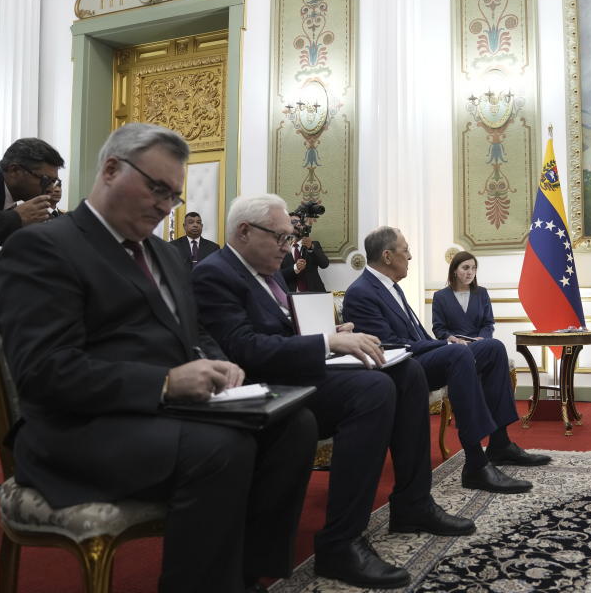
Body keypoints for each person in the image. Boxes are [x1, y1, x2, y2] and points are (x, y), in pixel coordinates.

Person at [0, 123, 317, 593]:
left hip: (166, 414)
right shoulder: (43, 247)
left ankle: (249, 574)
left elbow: (193, 334)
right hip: (79, 429)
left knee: (294, 425)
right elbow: (44, 371)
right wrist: (165, 383)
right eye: (157, 188)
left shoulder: (165, 256)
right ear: (110, 170)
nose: (167, 205)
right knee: (222, 450)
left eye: (175, 195)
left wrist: (216, 360)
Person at [192, 195, 474, 590]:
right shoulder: (215, 274)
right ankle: (340, 541)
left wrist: (332, 335)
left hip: (298, 372)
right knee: (372, 390)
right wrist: (325, 343)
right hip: (268, 387)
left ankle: (413, 503)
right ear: (243, 232)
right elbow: (244, 350)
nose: (288, 249)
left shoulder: (266, 273)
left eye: (289, 239)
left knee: (406, 372)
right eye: (281, 238)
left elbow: (279, 335)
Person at [343, 227, 550, 495]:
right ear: (387, 256)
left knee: (493, 348)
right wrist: (444, 343)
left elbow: (416, 334)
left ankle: (500, 444)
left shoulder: (391, 287)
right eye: (405, 250)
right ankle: (476, 464)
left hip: (420, 355)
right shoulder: (362, 292)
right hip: (402, 367)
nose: (410, 256)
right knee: (458, 353)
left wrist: (443, 344)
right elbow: (388, 345)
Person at [0, 125, 62, 538]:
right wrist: (14, 219)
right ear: (16, 171)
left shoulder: (22, 201)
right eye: (46, 179)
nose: (51, 186)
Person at [432, 251, 495, 341]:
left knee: (497, 345)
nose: (470, 272)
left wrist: (481, 338)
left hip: (479, 344)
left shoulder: (482, 293)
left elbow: (488, 324)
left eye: (474, 268)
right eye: (465, 268)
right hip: (454, 347)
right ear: (454, 270)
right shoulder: (440, 296)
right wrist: (453, 339)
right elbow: (439, 328)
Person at [280, 213, 329, 292]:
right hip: (291, 295)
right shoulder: (282, 249)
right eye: (294, 222)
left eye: (301, 222)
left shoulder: (314, 244)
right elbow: (278, 276)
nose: (299, 224)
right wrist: (295, 268)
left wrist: (311, 247)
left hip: (314, 294)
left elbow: (324, 264)